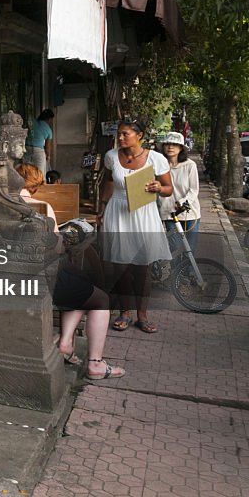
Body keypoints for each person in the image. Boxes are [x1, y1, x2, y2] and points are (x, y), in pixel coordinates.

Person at [98, 119, 173, 334]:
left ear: (139, 135)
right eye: (119, 134)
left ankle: (142, 315)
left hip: (143, 213)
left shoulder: (156, 158)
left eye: (125, 134)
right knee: (121, 266)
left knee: (142, 267)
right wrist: (102, 207)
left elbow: (169, 189)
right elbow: (110, 182)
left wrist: (159, 187)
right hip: (118, 211)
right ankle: (125, 313)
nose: (120, 138)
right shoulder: (112, 156)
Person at [54, 220, 125, 379]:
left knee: (80, 286)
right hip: (47, 283)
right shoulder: (42, 208)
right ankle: (95, 364)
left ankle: (65, 343)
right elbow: (57, 248)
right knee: (100, 299)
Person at [157, 131, 201, 255]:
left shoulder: (190, 165)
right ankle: (174, 273)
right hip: (169, 213)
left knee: (190, 249)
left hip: (189, 212)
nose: (170, 147)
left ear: (181, 148)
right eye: (168, 144)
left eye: (175, 145)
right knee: (175, 246)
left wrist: (182, 203)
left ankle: (189, 273)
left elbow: (193, 190)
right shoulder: (159, 166)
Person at [25, 109, 55, 174]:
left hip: (26, 149)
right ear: (49, 119)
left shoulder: (32, 122)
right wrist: (48, 156)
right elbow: (48, 147)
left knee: (26, 171)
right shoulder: (48, 129)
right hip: (38, 151)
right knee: (40, 173)